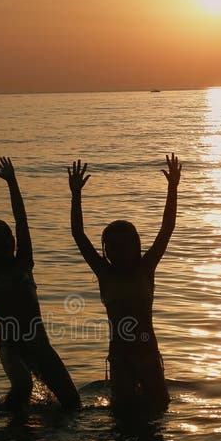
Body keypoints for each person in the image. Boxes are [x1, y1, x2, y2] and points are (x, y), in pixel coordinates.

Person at [67, 154, 182, 417]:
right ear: (106, 250)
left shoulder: (146, 268)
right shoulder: (105, 273)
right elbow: (78, 234)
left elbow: (167, 229)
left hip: (148, 356)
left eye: (126, 244)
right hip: (120, 359)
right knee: (122, 418)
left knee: (158, 414)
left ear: (136, 246)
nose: (120, 251)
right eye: (114, 246)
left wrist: (172, 188)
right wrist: (75, 195)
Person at [0, 157, 80, 410]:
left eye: (8, 236)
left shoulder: (24, 264)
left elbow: (22, 221)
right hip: (10, 345)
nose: (7, 242)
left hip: (39, 343)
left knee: (72, 403)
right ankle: (3, 418)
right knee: (23, 386)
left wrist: (12, 182)